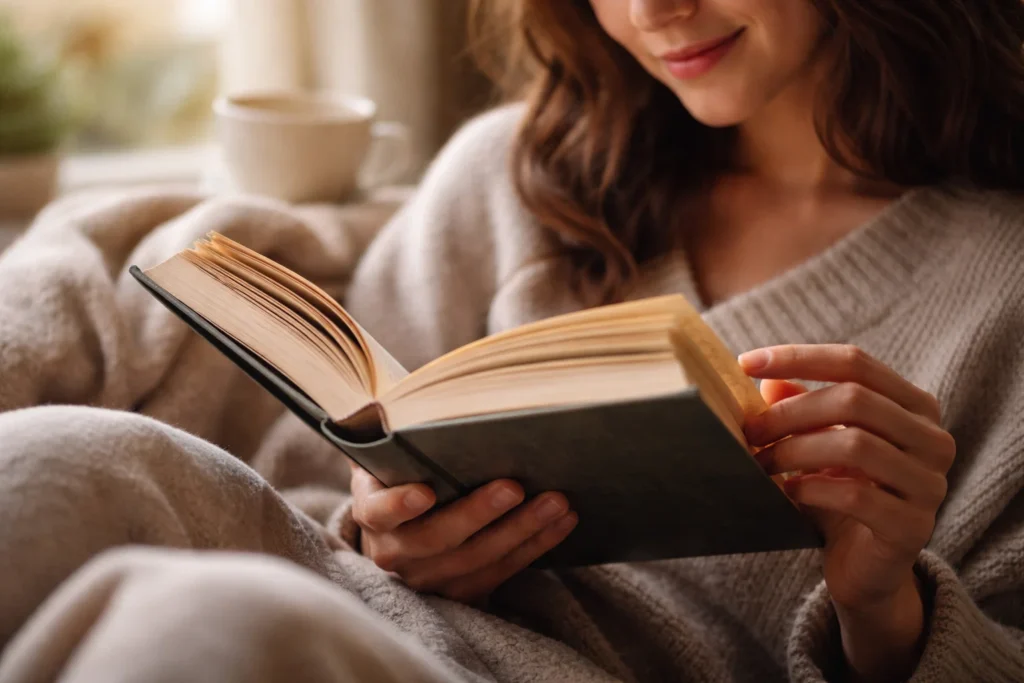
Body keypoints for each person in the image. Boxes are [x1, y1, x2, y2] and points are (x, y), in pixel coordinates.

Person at [1, 0, 1023, 681]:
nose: (649, 9)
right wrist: (383, 527)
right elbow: (304, 486)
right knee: (59, 456)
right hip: (367, 604)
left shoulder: (999, 287)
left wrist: (886, 605)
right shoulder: (517, 171)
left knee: (210, 624)